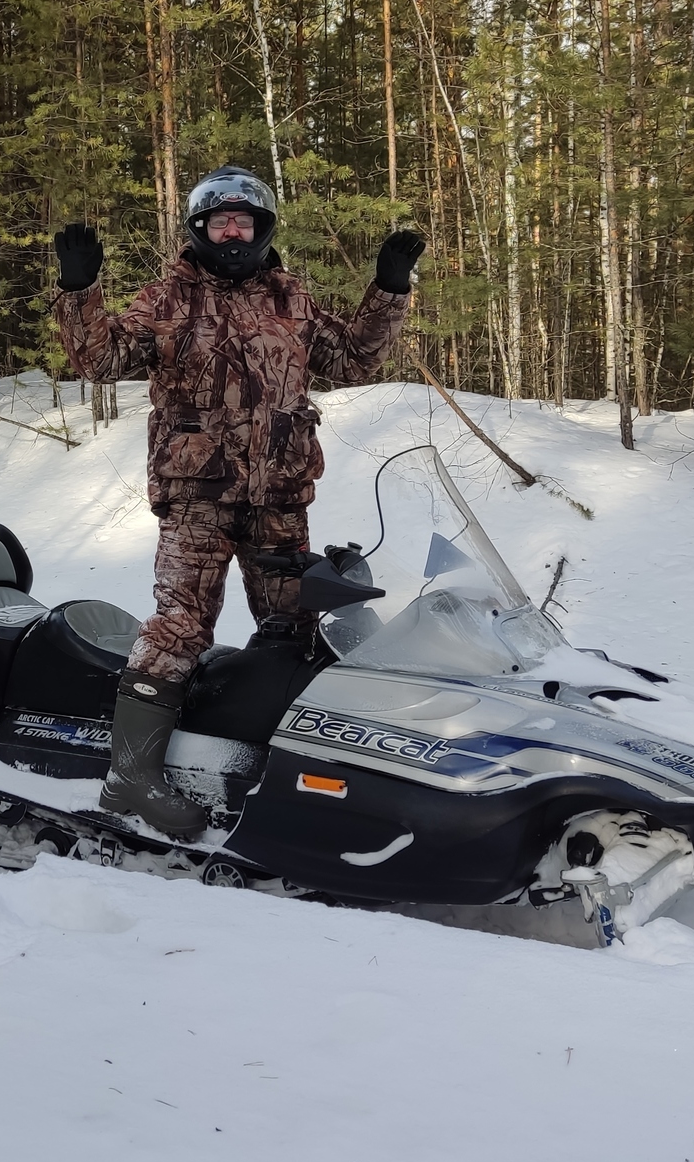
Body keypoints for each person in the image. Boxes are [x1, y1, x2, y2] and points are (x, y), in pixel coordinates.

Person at [51, 166, 423, 837]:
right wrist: (80, 289)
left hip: (280, 496)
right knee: (180, 628)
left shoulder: (290, 298)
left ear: (260, 229)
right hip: (197, 497)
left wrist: (389, 290)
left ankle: (287, 765)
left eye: (242, 222)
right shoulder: (168, 297)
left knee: (300, 627)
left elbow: (352, 360)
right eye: (220, 221)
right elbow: (100, 361)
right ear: (200, 229)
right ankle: (130, 776)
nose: (231, 231)